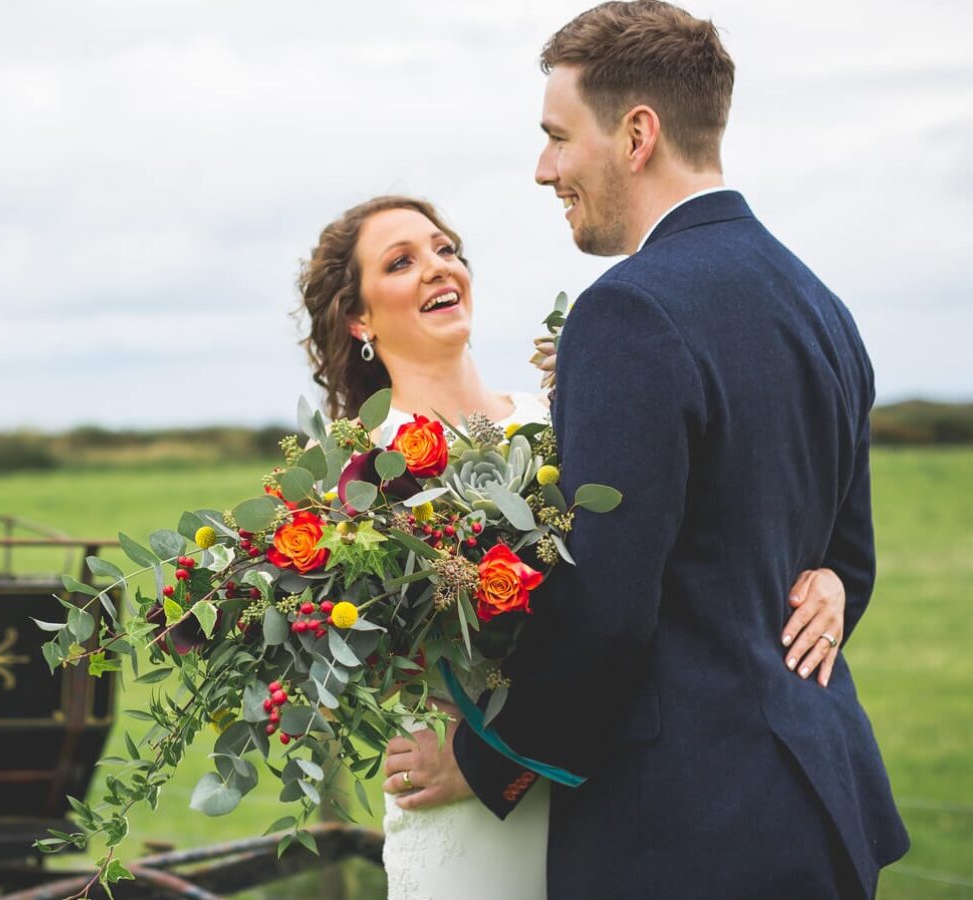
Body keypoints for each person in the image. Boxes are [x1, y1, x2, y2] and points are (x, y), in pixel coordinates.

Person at [380, 4, 911, 897]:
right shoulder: (820, 305)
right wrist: (831, 585)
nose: (545, 168)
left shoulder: (629, 311)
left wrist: (485, 763)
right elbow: (841, 566)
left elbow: (607, 609)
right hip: (821, 809)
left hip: (687, 833)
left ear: (636, 135)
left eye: (557, 137)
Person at [295, 193, 855, 899]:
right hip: (464, 790)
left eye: (445, 249)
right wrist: (473, 753)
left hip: (614, 785)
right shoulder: (363, 483)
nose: (439, 269)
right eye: (402, 262)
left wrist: (827, 571)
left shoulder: (558, 421)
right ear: (359, 318)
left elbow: (677, 542)